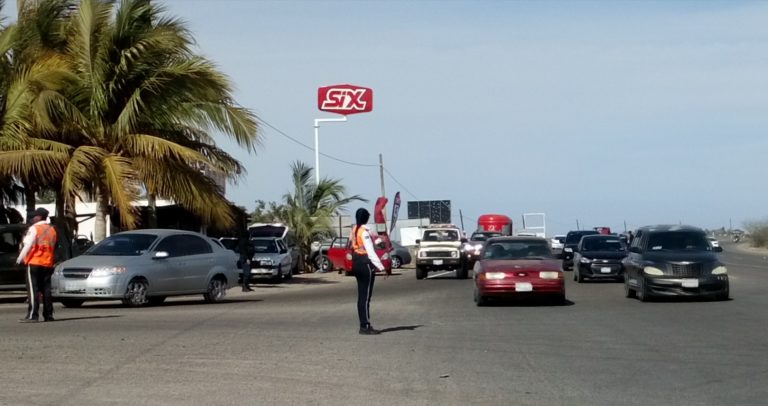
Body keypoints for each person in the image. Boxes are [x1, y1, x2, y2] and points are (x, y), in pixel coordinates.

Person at [17, 208, 58, 323]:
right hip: (48, 263)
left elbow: (28, 245)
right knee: (46, 290)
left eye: (34, 216)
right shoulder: (52, 230)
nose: (32, 218)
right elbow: (54, 246)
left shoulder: (34, 228)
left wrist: (19, 259)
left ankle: (32, 315)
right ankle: (48, 315)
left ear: (39, 217)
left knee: (33, 289)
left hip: (34, 262)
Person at [350, 208, 386, 335]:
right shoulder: (364, 231)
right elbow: (370, 251)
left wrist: (378, 242)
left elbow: (356, 244)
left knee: (361, 297)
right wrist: (382, 267)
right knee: (365, 298)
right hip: (365, 264)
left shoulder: (355, 229)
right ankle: (364, 325)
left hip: (356, 262)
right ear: (365, 218)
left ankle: (364, 323)